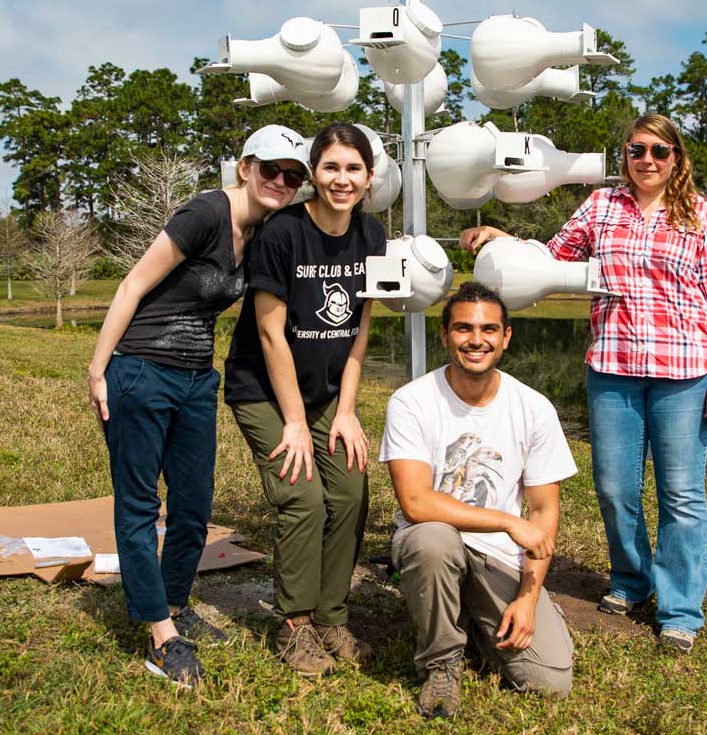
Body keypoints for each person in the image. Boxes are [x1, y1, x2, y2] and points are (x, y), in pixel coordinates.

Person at [461, 113, 707, 653]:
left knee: (681, 495)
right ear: (626, 156)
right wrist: (504, 237)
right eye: (638, 150)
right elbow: (549, 256)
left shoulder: (701, 216)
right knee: (615, 490)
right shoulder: (600, 208)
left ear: (677, 158)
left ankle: (680, 608)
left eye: (660, 151)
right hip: (612, 369)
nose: (648, 161)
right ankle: (633, 582)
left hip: (684, 374)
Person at [88, 124, 311, 687]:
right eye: (271, 170)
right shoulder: (204, 214)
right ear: (245, 168)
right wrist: (98, 370)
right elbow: (133, 285)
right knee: (139, 505)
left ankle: (176, 601)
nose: (281, 182)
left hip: (194, 381)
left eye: (292, 176)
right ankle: (160, 634)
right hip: (140, 371)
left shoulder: (262, 231)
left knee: (192, 504)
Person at [224, 122, 386, 678]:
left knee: (349, 489)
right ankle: (294, 623)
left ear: (369, 177)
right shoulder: (282, 234)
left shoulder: (372, 236)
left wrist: (345, 410)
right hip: (263, 389)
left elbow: (361, 330)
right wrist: (293, 421)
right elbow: (270, 335)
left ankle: (331, 614)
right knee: (303, 495)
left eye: (353, 169)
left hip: (325, 396)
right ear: (314, 173)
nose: (342, 180)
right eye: (331, 167)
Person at [380, 282, 577, 719]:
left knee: (550, 681)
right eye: (463, 328)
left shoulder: (534, 408)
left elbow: (543, 512)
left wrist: (528, 596)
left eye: (489, 329)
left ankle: (474, 618)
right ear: (445, 335)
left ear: (506, 337)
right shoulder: (411, 402)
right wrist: (508, 522)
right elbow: (415, 502)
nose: (476, 339)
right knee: (433, 540)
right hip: (434, 543)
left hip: (498, 560)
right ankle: (441, 665)